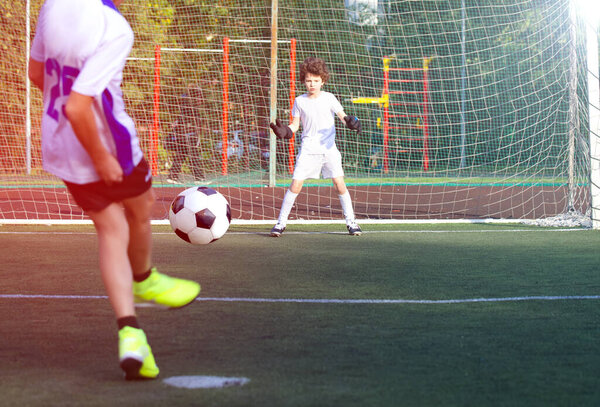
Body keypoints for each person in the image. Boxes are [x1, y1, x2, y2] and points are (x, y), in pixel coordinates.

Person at [28, 0, 200, 380]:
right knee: (141, 208)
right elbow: (79, 107)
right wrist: (102, 158)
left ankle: (131, 333)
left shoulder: (50, 7)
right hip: (106, 145)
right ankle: (144, 278)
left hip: (60, 147)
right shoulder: (114, 27)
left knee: (111, 228)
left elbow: (36, 74)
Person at [269, 57, 362, 237]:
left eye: (316, 80)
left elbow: (343, 117)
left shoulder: (330, 98)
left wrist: (350, 122)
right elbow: (295, 125)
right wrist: (286, 131)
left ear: (323, 81)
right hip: (308, 150)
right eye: (308, 80)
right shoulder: (299, 101)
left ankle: (351, 222)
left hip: (329, 150)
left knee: (339, 184)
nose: (312, 84)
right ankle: (280, 224)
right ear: (304, 80)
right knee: (295, 185)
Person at [166, 92, 205, 184]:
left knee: (180, 155)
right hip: (188, 136)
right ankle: (199, 178)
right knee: (194, 156)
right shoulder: (191, 109)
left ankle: (172, 176)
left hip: (183, 136)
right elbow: (194, 123)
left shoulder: (183, 109)